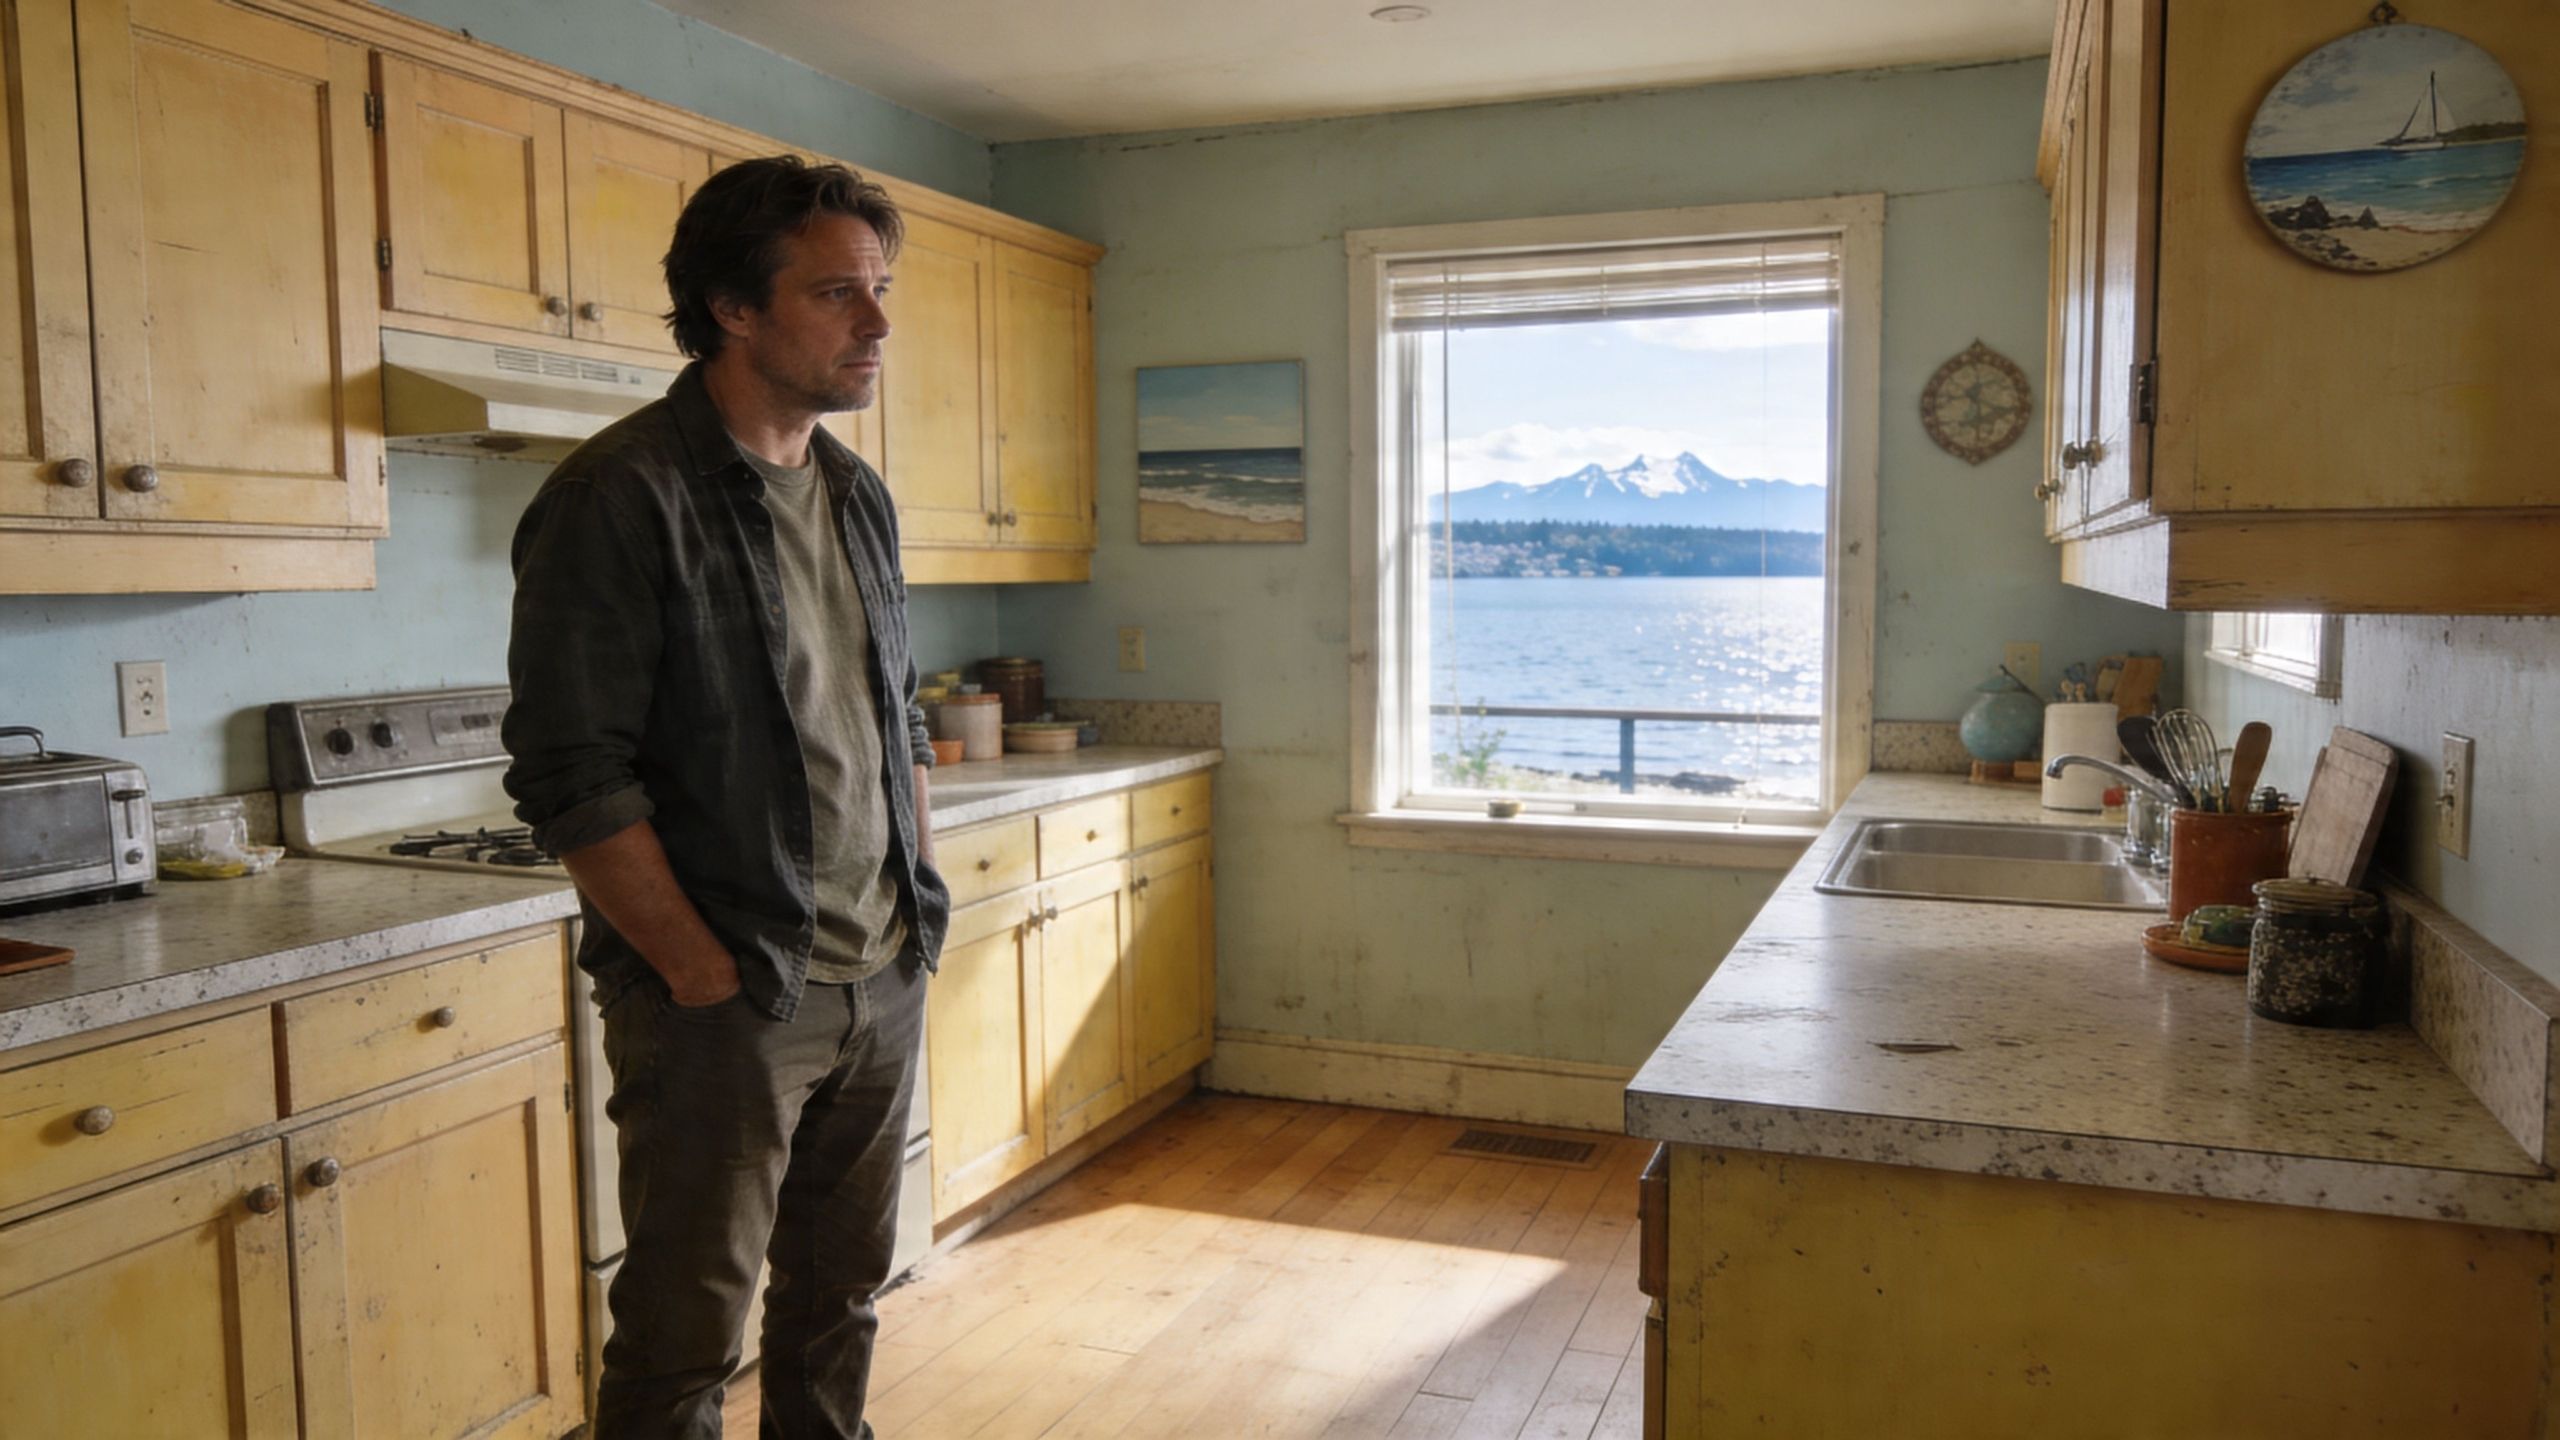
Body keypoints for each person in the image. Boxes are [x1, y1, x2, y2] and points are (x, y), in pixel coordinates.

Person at [502, 155, 947, 1440]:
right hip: (731, 996)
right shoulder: (617, 497)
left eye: (880, 291)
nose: (876, 324)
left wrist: (913, 905)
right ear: (733, 309)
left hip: (880, 971)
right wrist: (697, 973)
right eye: (837, 294)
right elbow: (572, 776)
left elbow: (892, 712)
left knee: (838, 1304)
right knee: (685, 1342)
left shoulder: (855, 493)